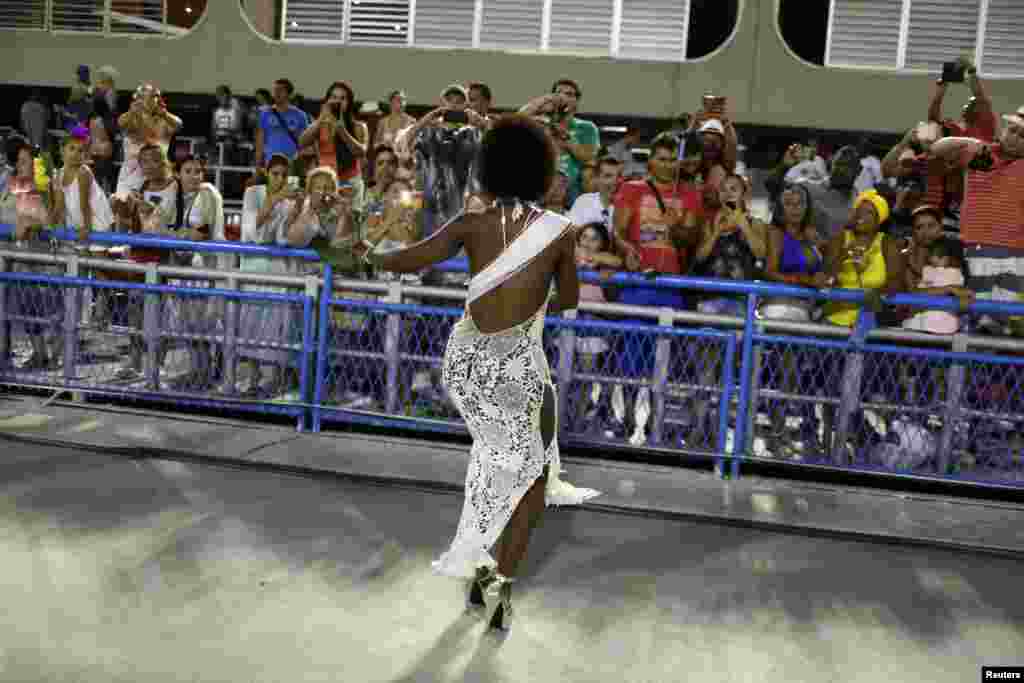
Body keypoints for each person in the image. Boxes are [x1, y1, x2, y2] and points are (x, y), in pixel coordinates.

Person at [355, 114, 601, 631]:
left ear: (487, 169)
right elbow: (572, 301)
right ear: (543, 169)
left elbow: (406, 260)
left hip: (466, 364)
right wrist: (530, 308)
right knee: (532, 471)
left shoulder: (470, 224)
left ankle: (480, 565)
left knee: (495, 462)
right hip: (518, 364)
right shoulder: (559, 232)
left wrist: (364, 255)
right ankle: (496, 582)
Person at [520, 79, 600, 206]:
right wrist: (544, 99)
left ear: (576, 101)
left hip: (572, 190)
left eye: (569, 94)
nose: (563, 97)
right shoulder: (540, 123)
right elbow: (518, 118)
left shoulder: (587, 127)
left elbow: (588, 157)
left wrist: (567, 139)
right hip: (540, 186)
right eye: (558, 93)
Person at [299, 81, 369, 210]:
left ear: (349, 102)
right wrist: (321, 118)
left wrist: (342, 131)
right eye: (334, 97)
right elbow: (302, 142)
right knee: (324, 222)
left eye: (343, 98)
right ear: (327, 101)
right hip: (325, 181)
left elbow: (361, 152)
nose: (338, 102)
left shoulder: (359, 126)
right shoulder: (320, 125)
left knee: (351, 223)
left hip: (350, 181)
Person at [115, 82, 182, 196]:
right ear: (138, 99)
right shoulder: (132, 119)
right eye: (146, 96)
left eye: (154, 96)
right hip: (131, 175)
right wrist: (132, 112)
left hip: (159, 176)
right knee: (124, 208)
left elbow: (179, 125)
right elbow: (120, 123)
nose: (151, 100)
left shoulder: (164, 120)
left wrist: (164, 114)